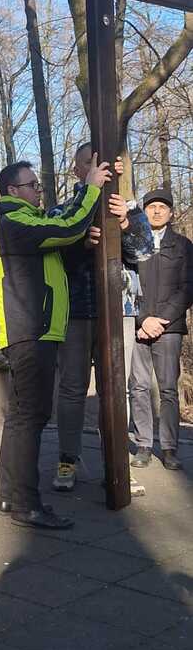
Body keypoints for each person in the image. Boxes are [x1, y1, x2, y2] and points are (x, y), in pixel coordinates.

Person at [0, 154, 110, 530]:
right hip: (30, 330)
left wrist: (82, 242)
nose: (39, 191)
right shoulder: (13, 220)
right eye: (32, 185)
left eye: (38, 185)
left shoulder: (25, 221)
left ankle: (10, 496)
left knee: (21, 416)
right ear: (13, 190)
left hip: (33, 329)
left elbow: (60, 247)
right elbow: (68, 224)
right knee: (31, 417)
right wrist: (91, 188)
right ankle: (26, 504)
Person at [51, 143, 153, 495]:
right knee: (72, 388)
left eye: (103, 163)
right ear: (77, 170)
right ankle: (67, 459)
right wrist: (80, 242)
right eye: (88, 162)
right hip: (76, 311)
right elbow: (53, 256)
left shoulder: (128, 208)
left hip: (119, 311)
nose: (98, 169)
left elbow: (144, 251)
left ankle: (117, 462)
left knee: (116, 389)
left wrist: (124, 222)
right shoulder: (64, 210)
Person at [130, 188, 193, 472]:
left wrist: (161, 320)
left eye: (162, 207)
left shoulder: (183, 246)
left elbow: (188, 288)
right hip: (137, 326)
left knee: (168, 389)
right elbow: (126, 283)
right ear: (144, 212)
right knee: (138, 387)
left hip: (169, 328)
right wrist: (143, 319)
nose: (156, 211)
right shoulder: (132, 243)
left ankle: (169, 448)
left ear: (171, 213)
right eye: (151, 207)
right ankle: (144, 444)